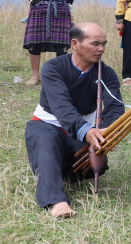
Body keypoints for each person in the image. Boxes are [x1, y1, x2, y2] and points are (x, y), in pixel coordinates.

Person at [24, 23, 125, 217]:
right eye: (95, 43)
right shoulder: (53, 67)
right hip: (46, 125)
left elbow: (114, 107)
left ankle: (57, 172)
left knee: (98, 164)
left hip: (81, 132)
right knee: (47, 143)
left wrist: (108, 133)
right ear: (75, 43)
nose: (101, 49)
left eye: (104, 44)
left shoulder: (107, 74)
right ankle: (56, 201)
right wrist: (87, 131)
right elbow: (61, 106)